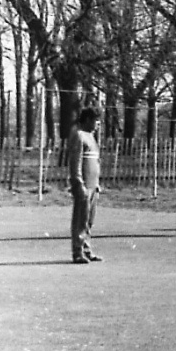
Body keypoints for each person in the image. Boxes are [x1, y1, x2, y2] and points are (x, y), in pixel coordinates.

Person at [68, 107, 104, 264]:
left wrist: (96, 184)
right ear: (88, 119)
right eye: (96, 121)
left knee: (89, 220)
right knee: (80, 219)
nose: (97, 124)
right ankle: (78, 251)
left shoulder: (91, 136)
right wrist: (78, 182)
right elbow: (75, 162)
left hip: (92, 185)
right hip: (83, 185)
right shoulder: (78, 134)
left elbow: (94, 162)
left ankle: (87, 249)